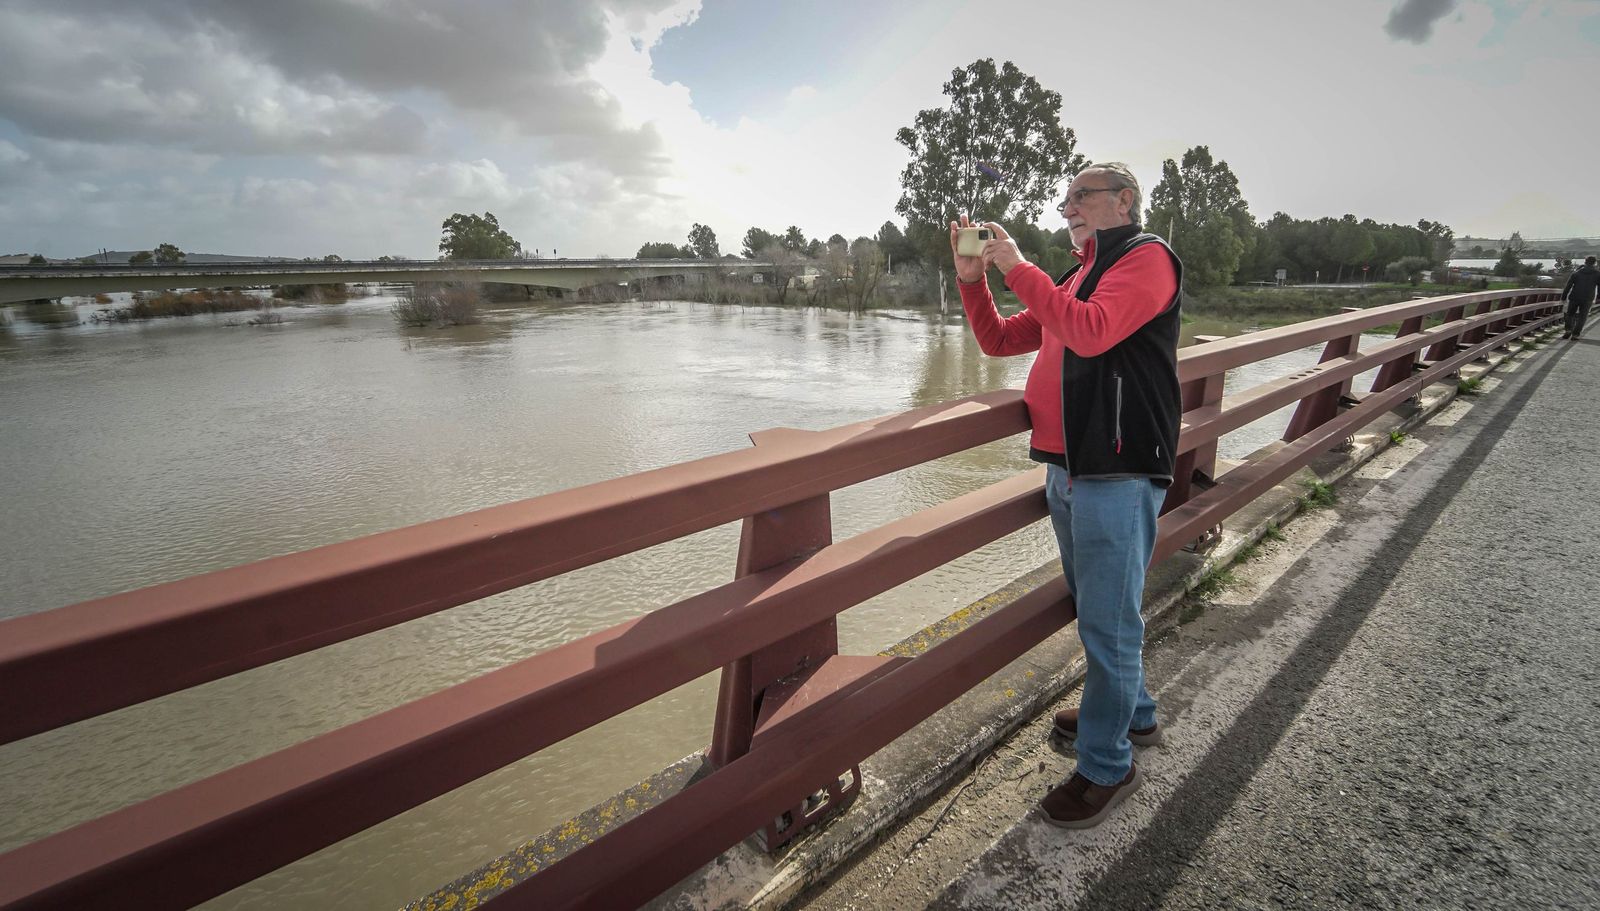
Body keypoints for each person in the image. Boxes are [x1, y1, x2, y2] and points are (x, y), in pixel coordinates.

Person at [950, 162, 1182, 829]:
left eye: (1082, 195)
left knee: (1109, 622)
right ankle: (1133, 714)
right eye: (1066, 199)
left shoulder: (1146, 259)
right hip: (1070, 467)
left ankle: (1107, 765)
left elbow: (1090, 331)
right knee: (1099, 609)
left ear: (1124, 201)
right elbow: (999, 340)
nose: (1069, 206)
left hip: (1118, 469)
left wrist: (1018, 267)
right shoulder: (1077, 278)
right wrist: (974, 281)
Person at [1562, 255, 1599, 340]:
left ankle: (1568, 330)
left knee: (1570, 314)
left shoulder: (1576, 273)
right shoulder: (1598, 274)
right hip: (1588, 298)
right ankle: (1575, 334)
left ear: (1585, 262)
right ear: (1595, 263)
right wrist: (1599, 297)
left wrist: (1564, 296)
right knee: (1582, 317)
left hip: (1574, 297)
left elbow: (1568, 286)